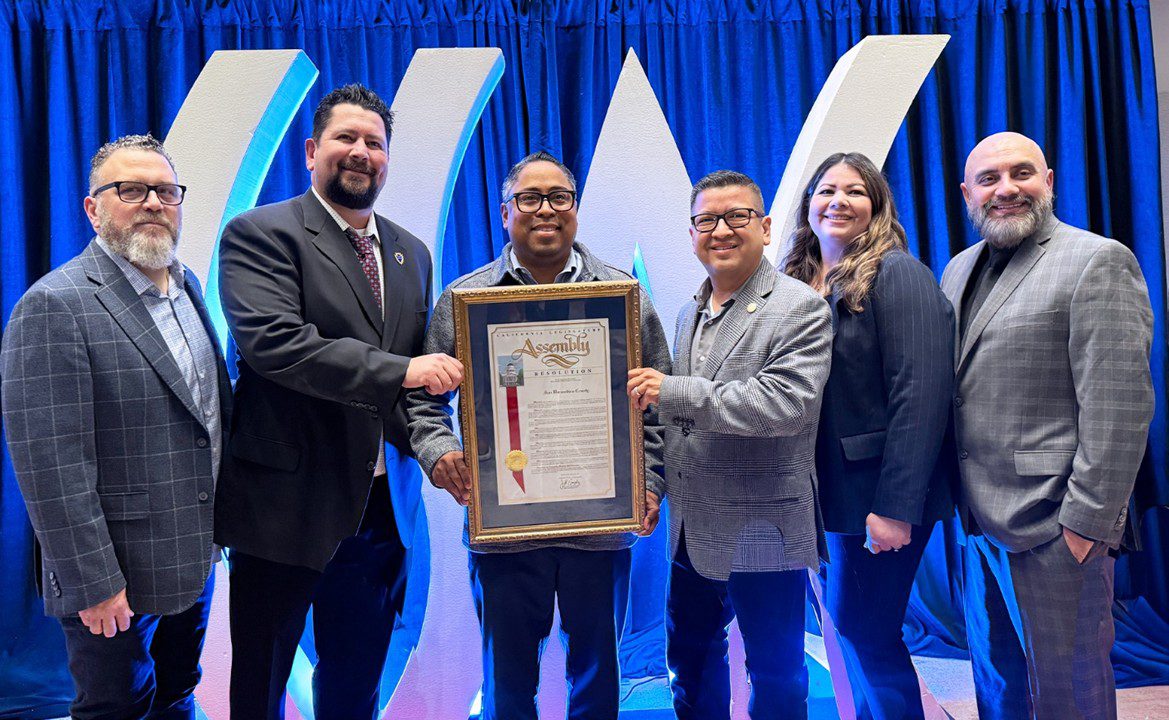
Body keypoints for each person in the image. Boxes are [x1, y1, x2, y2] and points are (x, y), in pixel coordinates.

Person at [214, 84, 462, 720]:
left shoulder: (411, 253)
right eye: (345, 137)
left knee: (356, 683)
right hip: (284, 507)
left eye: (374, 143)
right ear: (310, 151)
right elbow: (276, 345)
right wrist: (405, 370)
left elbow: (414, 383)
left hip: (379, 511)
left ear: (387, 159)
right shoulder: (260, 234)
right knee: (261, 684)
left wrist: (442, 448)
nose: (360, 152)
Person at [406, 151, 671, 719]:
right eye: (529, 198)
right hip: (505, 531)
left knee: (599, 681)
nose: (545, 209)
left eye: (559, 197)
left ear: (575, 210)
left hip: (600, 529)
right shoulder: (466, 299)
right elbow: (423, 398)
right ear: (506, 212)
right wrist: (439, 450)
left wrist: (649, 482)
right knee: (507, 685)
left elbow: (658, 403)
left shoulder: (622, 296)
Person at [0, 134, 230, 720]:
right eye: (131, 189)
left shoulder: (187, 287)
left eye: (166, 191)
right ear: (93, 208)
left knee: (177, 696)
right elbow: (51, 465)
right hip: (114, 574)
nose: (153, 202)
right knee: (115, 709)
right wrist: (94, 583)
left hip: (192, 555)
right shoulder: (55, 304)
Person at [941, 131, 1154, 720]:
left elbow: (1120, 408)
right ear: (966, 193)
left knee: (1069, 698)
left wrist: (1086, 525)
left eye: (1022, 173)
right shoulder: (957, 270)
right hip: (978, 525)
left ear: (1049, 181)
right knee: (999, 690)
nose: (1006, 189)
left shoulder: (1097, 260)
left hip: (1057, 527)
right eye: (988, 179)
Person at [627, 170, 832, 720]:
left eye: (736, 216)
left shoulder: (800, 307)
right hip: (690, 531)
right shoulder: (687, 311)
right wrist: (651, 485)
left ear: (765, 227)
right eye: (706, 220)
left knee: (776, 677)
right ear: (692, 233)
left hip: (763, 526)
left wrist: (673, 390)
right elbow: (676, 423)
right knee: (690, 668)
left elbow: (785, 405)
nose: (720, 230)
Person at [783, 152, 955, 720]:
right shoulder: (795, 282)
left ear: (877, 206)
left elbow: (921, 394)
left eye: (855, 191)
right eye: (826, 190)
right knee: (849, 631)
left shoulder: (897, 273)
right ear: (809, 205)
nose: (839, 200)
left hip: (877, 495)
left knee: (866, 632)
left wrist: (896, 507)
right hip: (826, 496)